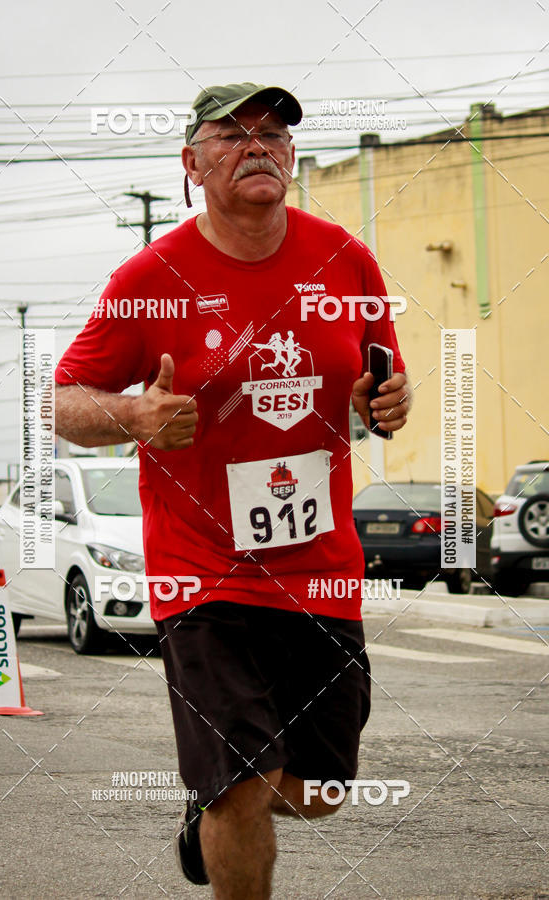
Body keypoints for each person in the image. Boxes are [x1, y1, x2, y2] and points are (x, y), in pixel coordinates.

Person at [54, 82, 411, 899]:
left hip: (319, 569)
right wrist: (135, 415)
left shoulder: (345, 259)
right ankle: (221, 798)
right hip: (203, 572)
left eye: (273, 134)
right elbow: (63, 402)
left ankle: (210, 809)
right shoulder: (150, 277)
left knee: (317, 792)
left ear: (291, 157)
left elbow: (381, 379)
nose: (257, 146)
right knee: (243, 782)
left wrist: (389, 402)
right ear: (191, 162)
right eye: (231, 134)